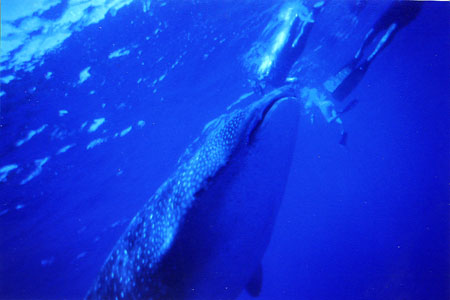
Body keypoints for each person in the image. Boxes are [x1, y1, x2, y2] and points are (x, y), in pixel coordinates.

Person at [324, 0, 423, 101]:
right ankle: (369, 57)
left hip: (405, 4)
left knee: (380, 27)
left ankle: (360, 53)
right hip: (412, 6)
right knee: (390, 29)